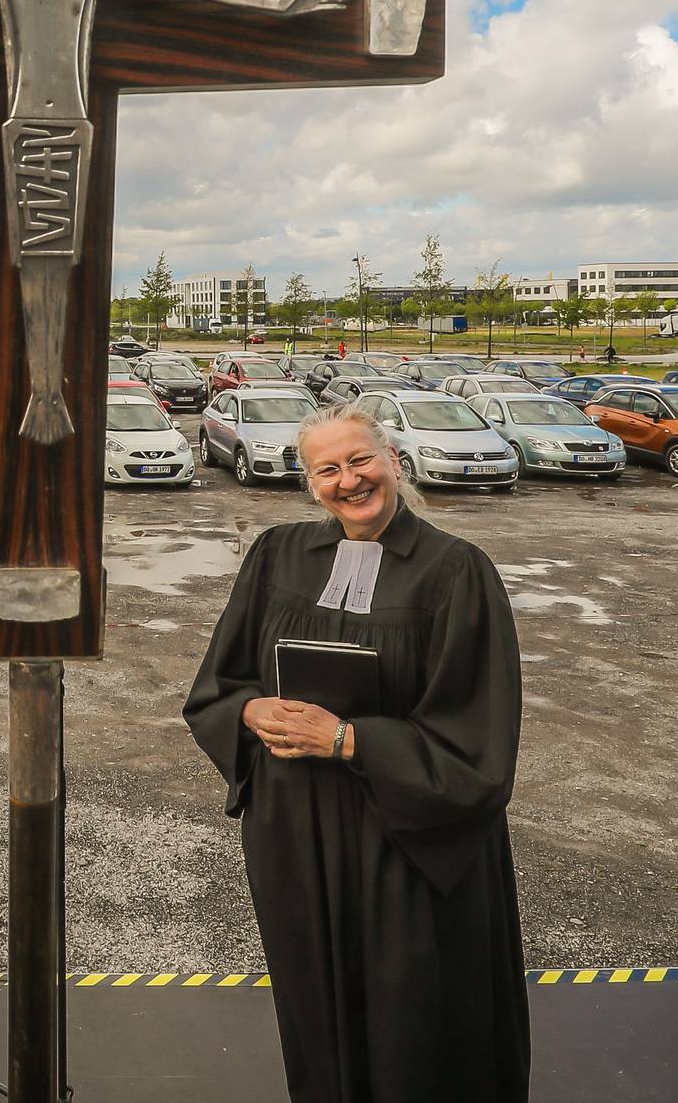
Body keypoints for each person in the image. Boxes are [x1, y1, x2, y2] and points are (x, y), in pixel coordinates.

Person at [181, 402, 528, 1102]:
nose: (349, 481)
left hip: (402, 841)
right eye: (328, 469)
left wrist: (347, 739)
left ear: (392, 461)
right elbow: (218, 685)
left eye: (360, 461)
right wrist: (250, 709)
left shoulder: (456, 572)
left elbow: (478, 736)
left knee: (413, 1017)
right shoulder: (276, 553)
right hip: (295, 834)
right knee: (314, 1004)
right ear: (310, 484)